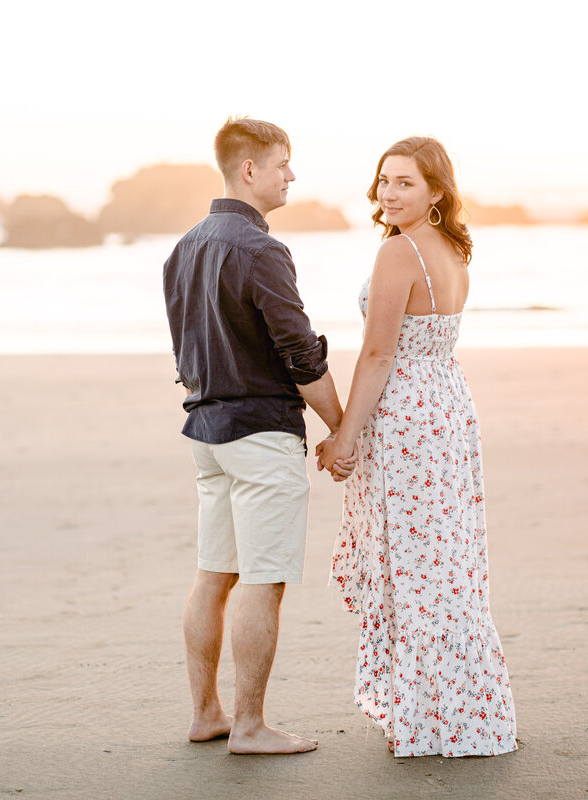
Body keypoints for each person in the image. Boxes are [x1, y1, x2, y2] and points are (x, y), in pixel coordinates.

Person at [320, 136, 518, 757]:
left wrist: (344, 437)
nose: (389, 193)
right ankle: (463, 711)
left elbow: (379, 354)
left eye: (404, 182)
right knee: (448, 566)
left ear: (436, 190)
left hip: (407, 418)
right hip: (448, 408)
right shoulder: (453, 248)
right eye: (383, 181)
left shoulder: (399, 253)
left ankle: (431, 718)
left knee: (415, 567)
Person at [163, 117, 346, 755]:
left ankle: (206, 714)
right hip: (259, 433)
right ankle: (249, 726)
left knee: (214, 575)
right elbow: (299, 351)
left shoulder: (183, 247)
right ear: (250, 171)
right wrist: (340, 426)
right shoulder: (261, 249)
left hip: (205, 431)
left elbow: (185, 348)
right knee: (263, 580)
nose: (290, 175)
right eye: (282, 164)